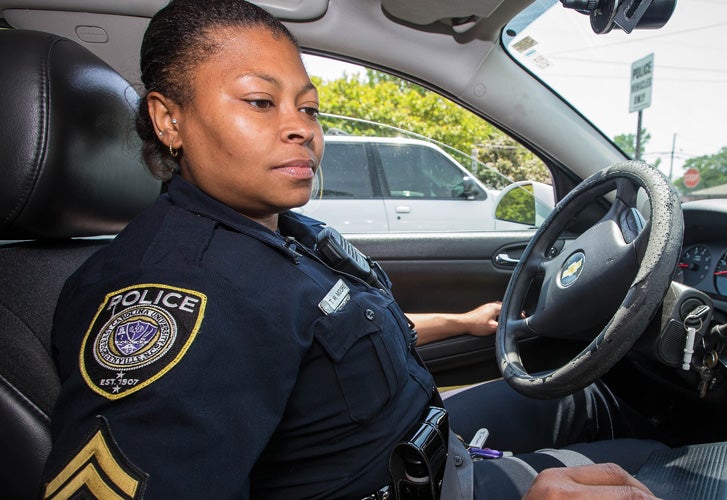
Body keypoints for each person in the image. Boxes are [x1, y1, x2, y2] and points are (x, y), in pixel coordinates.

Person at [40, 1, 665, 498]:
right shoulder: (178, 295)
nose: (300, 127)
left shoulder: (280, 232)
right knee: (659, 468)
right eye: (260, 102)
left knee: (589, 400)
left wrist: (466, 323)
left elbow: (337, 341)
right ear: (170, 120)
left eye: (308, 107)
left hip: (433, 456)